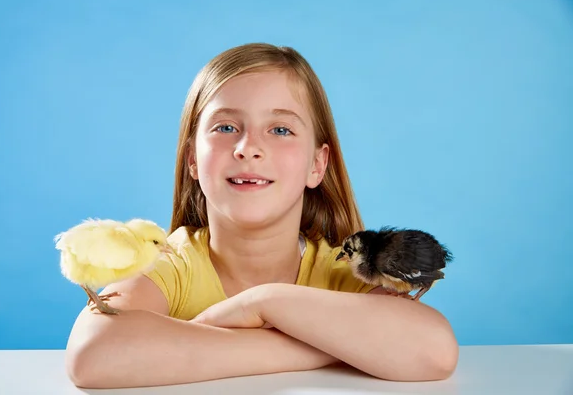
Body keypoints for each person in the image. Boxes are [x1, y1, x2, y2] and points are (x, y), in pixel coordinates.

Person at [65, 43, 459, 389]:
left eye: (281, 130)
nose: (248, 147)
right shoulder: (170, 265)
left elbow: (434, 352)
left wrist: (266, 301)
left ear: (317, 165)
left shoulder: (344, 274)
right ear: (192, 161)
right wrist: (312, 346)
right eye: (226, 126)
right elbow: (93, 354)